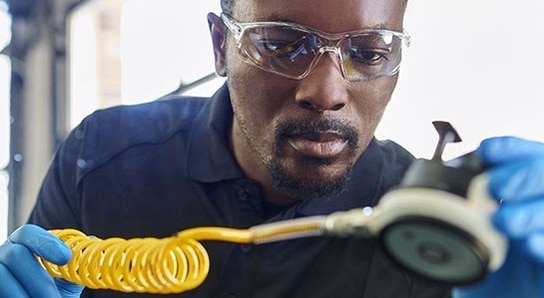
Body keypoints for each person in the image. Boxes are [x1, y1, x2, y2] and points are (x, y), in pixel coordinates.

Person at [1, 0, 544, 297]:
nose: (327, 93)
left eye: (370, 52)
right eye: (281, 46)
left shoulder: (433, 236)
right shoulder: (102, 158)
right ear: (221, 45)